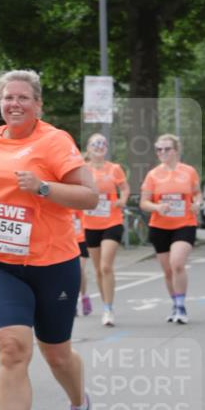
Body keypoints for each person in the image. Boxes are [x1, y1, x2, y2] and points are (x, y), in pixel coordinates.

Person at [0, 70, 98, 410]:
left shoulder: (55, 141)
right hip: (0, 261)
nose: (15, 104)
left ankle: (79, 405)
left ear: (38, 104)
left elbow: (89, 196)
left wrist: (43, 188)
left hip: (52, 262)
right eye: (8, 97)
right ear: (0, 102)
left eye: (23, 97)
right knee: (12, 349)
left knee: (56, 354)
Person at [140, 134, 201, 323]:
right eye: (159, 149)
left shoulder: (189, 172)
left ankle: (181, 308)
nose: (162, 152)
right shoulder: (153, 175)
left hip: (184, 224)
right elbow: (144, 202)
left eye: (166, 149)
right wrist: (157, 207)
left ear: (176, 150)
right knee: (168, 271)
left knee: (177, 263)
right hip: (160, 226)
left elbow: (197, 194)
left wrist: (198, 203)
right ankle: (175, 304)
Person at [82, 134, 129, 327]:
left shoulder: (114, 168)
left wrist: (122, 200)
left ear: (106, 148)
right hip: (90, 224)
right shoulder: (83, 170)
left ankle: (109, 309)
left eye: (102, 144)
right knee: (98, 270)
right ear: (89, 148)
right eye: (95, 144)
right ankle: (105, 305)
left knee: (106, 266)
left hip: (112, 222)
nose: (99, 147)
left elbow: (124, 188)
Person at [73, 211, 92, 316]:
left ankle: (84, 297)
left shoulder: (78, 206)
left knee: (79, 269)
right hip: (66, 241)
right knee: (70, 274)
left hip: (81, 240)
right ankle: (73, 302)